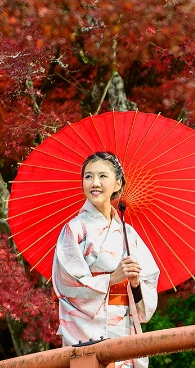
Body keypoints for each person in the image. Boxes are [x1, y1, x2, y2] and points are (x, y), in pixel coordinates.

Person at [52, 151, 160, 368]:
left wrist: (135, 283)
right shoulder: (74, 229)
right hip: (88, 329)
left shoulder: (128, 233)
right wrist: (111, 278)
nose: (95, 183)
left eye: (103, 176)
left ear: (117, 183)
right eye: (88, 176)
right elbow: (68, 285)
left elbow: (149, 282)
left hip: (124, 325)